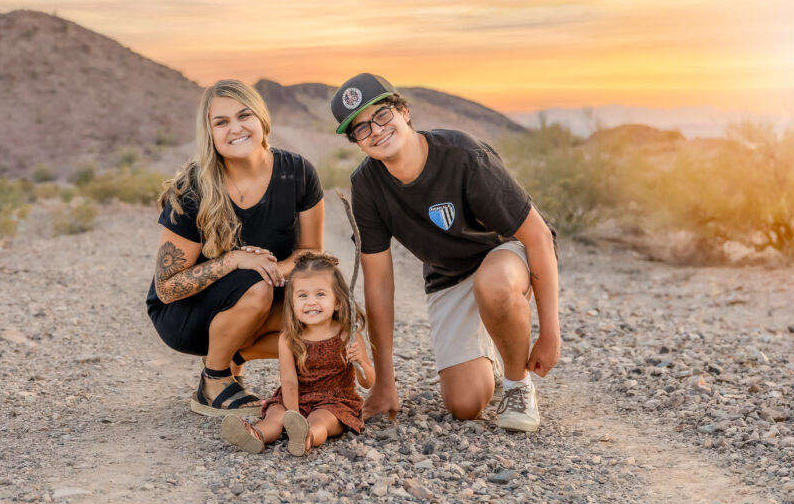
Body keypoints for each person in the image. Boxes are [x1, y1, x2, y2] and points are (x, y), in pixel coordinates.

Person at [329, 73, 560, 432]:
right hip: (448, 275)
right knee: (464, 405)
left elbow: (539, 236)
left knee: (494, 286)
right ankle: (493, 357)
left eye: (382, 115)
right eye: (361, 129)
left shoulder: (463, 155)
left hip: (504, 255)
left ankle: (517, 385)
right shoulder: (367, 185)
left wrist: (550, 332)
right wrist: (384, 383)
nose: (375, 130)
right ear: (357, 142)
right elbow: (379, 284)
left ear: (403, 112)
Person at [147, 80, 325, 416]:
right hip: (186, 314)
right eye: (222, 122)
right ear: (209, 133)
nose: (236, 128)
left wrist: (267, 267)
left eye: (244, 115)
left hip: (259, 297)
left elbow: (311, 252)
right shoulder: (193, 189)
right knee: (255, 287)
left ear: (261, 119)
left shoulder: (298, 173)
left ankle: (236, 356)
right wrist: (232, 261)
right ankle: (213, 381)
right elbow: (167, 289)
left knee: (325, 317)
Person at [220, 252, 375, 455]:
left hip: (334, 401)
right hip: (296, 398)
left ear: (337, 301)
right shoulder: (288, 338)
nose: (311, 302)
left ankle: (306, 436)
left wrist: (361, 361)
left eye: (320, 294)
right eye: (303, 296)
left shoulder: (347, 334)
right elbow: (290, 381)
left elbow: (368, 382)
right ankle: (256, 434)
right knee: (275, 415)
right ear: (292, 304)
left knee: (321, 419)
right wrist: (292, 415)